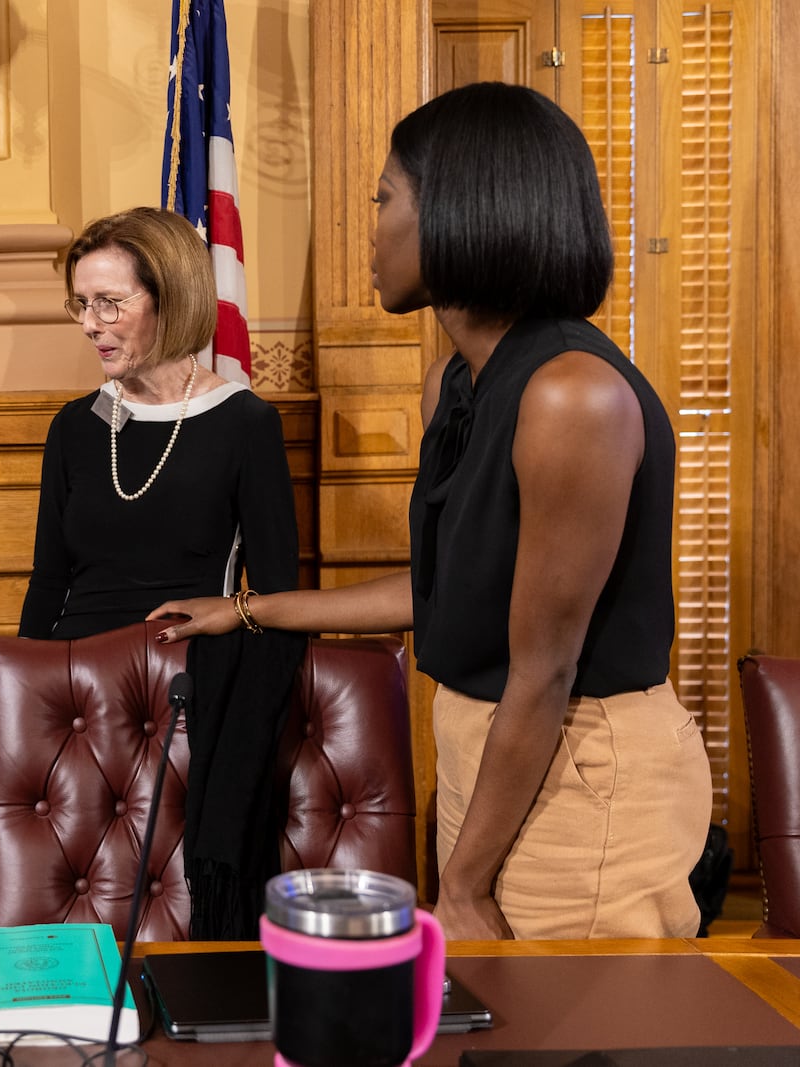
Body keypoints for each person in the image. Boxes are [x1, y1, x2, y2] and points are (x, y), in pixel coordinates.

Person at [149, 82, 712, 941]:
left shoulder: (572, 396)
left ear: (460, 208)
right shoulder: (456, 385)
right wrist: (251, 608)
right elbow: (447, 590)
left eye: (383, 198)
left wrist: (465, 883)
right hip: (496, 756)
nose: (368, 225)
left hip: (582, 766)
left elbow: (546, 670)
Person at [18, 206, 299, 640]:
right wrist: (28, 683)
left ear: (169, 299)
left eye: (108, 304)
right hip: (75, 681)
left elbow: (276, 598)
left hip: (192, 677)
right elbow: (49, 581)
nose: (90, 325)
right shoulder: (73, 425)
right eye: (83, 304)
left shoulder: (245, 422)